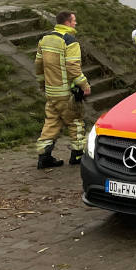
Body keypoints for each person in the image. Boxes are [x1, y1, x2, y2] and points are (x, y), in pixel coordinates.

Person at [34, 10, 90, 168]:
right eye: (74, 21)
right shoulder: (69, 40)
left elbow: (38, 66)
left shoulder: (45, 39)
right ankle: (77, 155)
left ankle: (44, 157)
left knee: (51, 122)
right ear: (67, 23)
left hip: (51, 92)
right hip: (66, 94)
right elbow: (73, 68)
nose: (76, 23)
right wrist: (85, 85)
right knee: (76, 122)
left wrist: (42, 85)